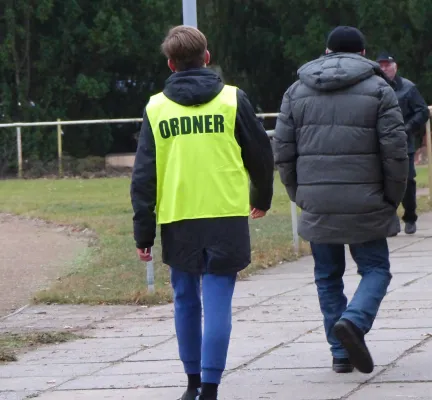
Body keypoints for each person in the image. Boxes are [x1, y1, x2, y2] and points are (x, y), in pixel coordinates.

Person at [130, 25, 274, 400]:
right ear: (206, 57)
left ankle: (191, 383)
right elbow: (260, 153)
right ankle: (210, 386)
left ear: (170, 63)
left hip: (178, 218)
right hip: (225, 215)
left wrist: (143, 232)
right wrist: (262, 196)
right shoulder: (232, 99)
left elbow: (144, 175)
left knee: (185, 300)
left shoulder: (156, 107)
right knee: (218, 299)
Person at [273, 26, 408, 374]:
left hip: (317, 200)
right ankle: (354, 321)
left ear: (327, 51)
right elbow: (396, 152)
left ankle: (340, 352)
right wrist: (392, 198)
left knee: (327, 276)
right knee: (376, 269)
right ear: (363, 54)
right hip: (368, 198)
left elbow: (284, 153)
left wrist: (300, 196)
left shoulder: (295, 91)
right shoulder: (379, 89)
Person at [377, 52, 430, 234]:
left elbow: (422, 111)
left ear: (395, 67)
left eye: (387, 65)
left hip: (403, 144)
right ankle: (389, 221)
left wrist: (407, 128)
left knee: (407, 181)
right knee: (381, 184)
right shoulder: (371, 87)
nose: (384, 68)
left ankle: (410, 217)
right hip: (378, 145)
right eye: (381, 65)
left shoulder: (408, 88)